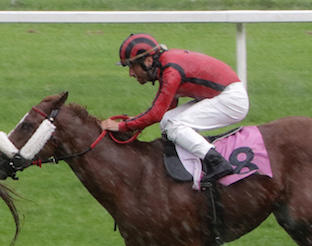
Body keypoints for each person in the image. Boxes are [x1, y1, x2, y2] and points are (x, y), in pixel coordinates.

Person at [100, 33, 249, 185]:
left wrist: (122, 126)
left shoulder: (171, 70)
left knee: (176, 126)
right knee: (167, 121)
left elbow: (156, 113)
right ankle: (181, 164)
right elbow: (163, 110)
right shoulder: (165, 66)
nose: (131, 73)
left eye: (132, 66)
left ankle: (217, 163)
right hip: (219, 95)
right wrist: (133, 121)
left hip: (232, 100)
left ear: (148, 61)